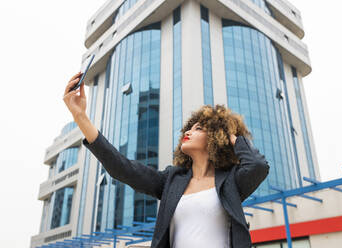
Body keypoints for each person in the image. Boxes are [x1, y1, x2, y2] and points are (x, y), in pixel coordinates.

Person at [63, 72, 270, 248]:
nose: (188, 131)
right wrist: (80, 116)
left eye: (198, 128)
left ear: (216, 136)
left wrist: (231, 135)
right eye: (189, 127)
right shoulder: (171, 180)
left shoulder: (231, 181)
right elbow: (122, 168)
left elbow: (258, 167)